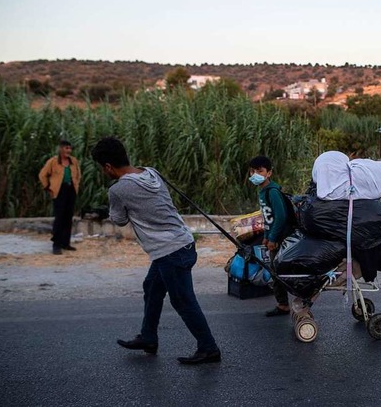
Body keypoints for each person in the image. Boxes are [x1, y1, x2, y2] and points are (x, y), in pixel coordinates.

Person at [91, 137, 220, 365]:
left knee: (183, 301)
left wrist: (111, 210)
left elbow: (120, 220)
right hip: (182, 243)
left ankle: (209, 348)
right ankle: (148, 337)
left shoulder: (118, 190)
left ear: (108, 166)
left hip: (170, 250)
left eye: (103, 168)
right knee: (151, 287)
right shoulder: (151, 172)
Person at [248, 156, 293, 317]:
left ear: (269, 173)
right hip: (273, 236)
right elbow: (268, 218)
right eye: (252, 171)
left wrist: (273, 238)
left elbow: (280, 217)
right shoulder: (263, 191)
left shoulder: (272, 192)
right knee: (275, 271)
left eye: (260, 171)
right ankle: (283, 304)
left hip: (281, 237)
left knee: (277, 271)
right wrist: (266, 236)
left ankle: (284, 304)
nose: (255, 174)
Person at [39, 140, 81, 255]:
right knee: (60, 218)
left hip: (71, 190)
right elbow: (42, 174)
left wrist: (76, 184)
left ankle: (65, 243)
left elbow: (78, 174)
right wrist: (48, 187)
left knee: (68, 217)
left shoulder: (73, 161)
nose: (69, 151)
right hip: (59, 191)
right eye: (66, 148)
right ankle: (56, 244)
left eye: (70, 148)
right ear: (61, 149)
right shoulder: (53, 161)